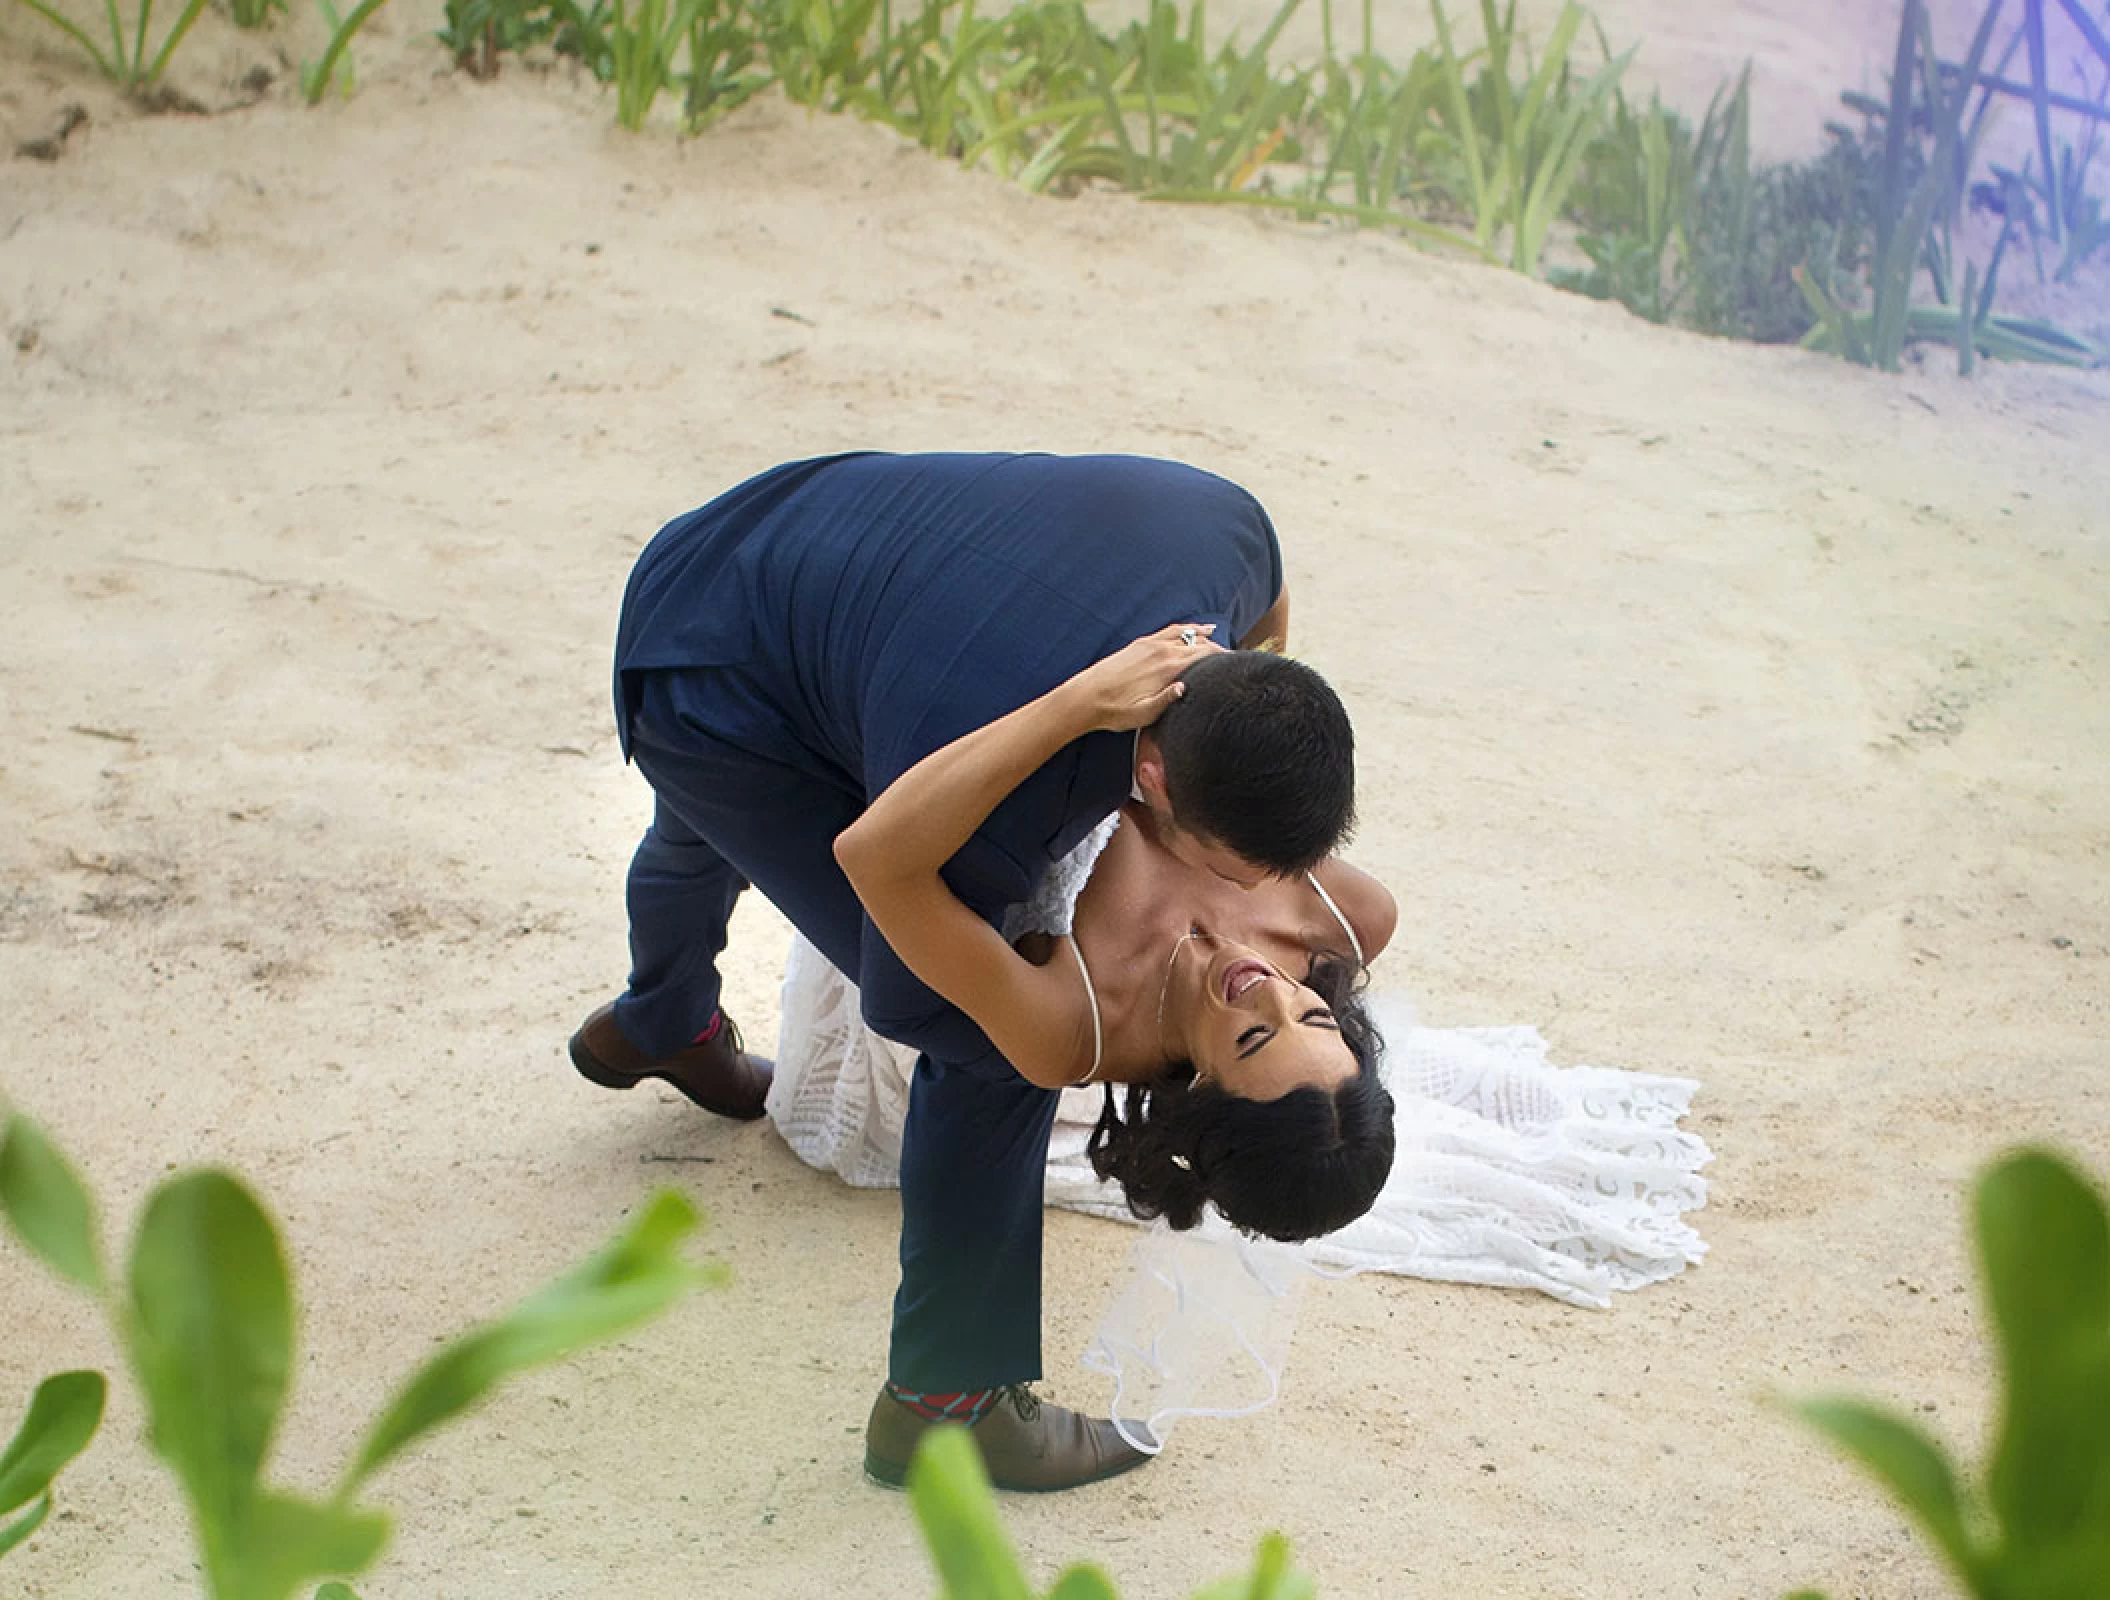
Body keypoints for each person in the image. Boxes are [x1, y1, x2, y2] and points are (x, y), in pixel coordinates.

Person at [569, 451, 1359, 1493]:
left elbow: (1270, 622)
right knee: (988, 1049)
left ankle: (662, 1015)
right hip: (706, 681)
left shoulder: (1230, 534)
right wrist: (1076, 714)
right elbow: (905, 952)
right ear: (1153, 777)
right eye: (1226, 864)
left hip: (741, 542)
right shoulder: (1002, 822)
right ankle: (945, 1406)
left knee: (729, 814)